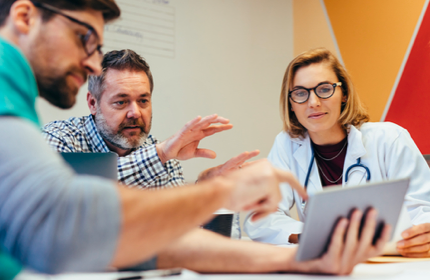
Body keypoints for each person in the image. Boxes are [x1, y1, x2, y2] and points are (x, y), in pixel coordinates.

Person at [0, 1, 389, 277]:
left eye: (143, 99)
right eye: (83, 37)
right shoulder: (16, 96)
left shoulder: (17, 96)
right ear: (23, 16)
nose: (89, 60)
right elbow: (72, 219)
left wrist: (295, 261)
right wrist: (219, 193)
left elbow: (151, 237)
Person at [244, 48, 430, 258]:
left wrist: (422, 236)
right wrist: (313, 235)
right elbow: (260, 218)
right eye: (300, 93)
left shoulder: (390, 138)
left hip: (391, 264)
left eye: (324, 89)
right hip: (326, 266)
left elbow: (424, 209)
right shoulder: (287, 144)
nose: (313, 102)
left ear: (344, 95)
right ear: (292, 104)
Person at [42, 49, 259, 189]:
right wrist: (160, 154)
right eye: (121, 102)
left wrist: (208, 185)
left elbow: (175, 224)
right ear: (92, 103)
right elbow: (69, 200)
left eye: (143, 101)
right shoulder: (59, 139)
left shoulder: (161, 153)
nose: (135, 113)